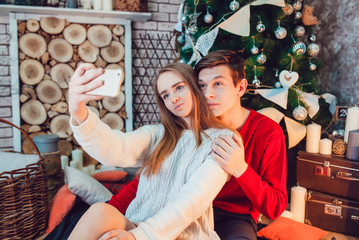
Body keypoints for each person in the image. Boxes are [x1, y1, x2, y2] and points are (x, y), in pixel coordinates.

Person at [107, 50, 288, 240]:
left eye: (218, 84)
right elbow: (150, 180)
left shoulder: (268, 133)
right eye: (202, 85)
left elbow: (275, 207)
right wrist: (108, 210)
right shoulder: (189, 126)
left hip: (231, 218)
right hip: (179, 209)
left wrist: (240, 169)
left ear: (240, 87)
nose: (208, 94)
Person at [67, 62, 238, 240]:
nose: (173, 98)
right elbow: (114, 148)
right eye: (165, 95)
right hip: (139, 225)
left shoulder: (223, 139)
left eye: (179, 88)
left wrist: (137, 237)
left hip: (184, 236)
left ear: (195, 85)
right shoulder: (158, 134)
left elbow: (191, 202)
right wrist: (78, 111)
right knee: (100, 211)